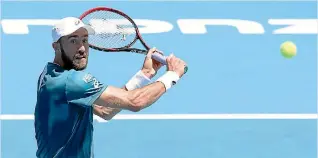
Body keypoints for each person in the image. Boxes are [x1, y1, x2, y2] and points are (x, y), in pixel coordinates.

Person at [34, 17, 187, 158]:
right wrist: (172, 75)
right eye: (73, 41)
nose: (82, 48)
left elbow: (105, 111)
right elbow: (135, 102)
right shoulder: (72, 82)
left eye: (85, 40)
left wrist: (144, 75)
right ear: (56, 46)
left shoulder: (49, 73)